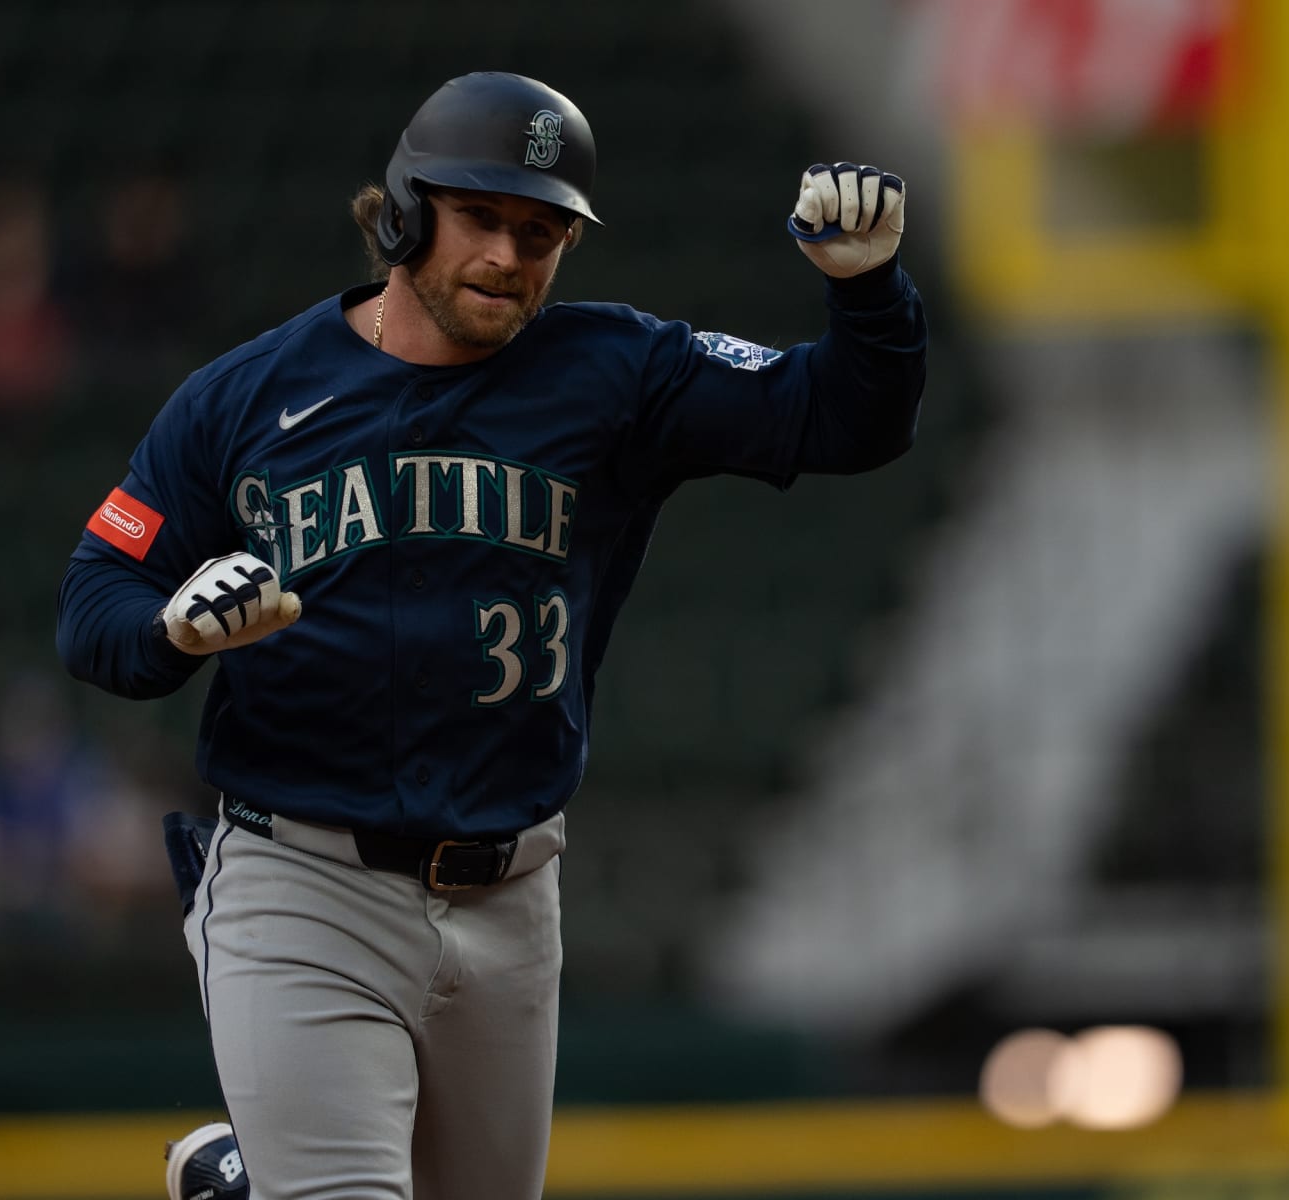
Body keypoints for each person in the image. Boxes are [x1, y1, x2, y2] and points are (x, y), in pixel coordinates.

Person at [56, 72, 924, 1200]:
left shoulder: (613, 371)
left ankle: (240, 1181)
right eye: (483, 218)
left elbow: (842, 419)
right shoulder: (245, 396)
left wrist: (868, 297)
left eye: (541, 231)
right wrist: (170, 629)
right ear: (409, 211)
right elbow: (95, 600)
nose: (511, 256)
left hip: (512, 891)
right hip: (302, 879)